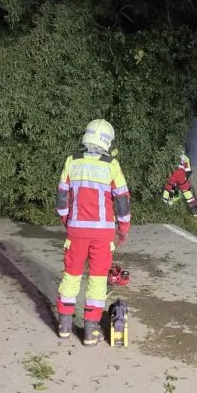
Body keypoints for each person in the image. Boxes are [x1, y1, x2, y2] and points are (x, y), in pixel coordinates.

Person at [55, 119, 131, 346]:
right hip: (103, 236)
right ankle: (90, 332)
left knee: (71, 277)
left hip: (76, 233)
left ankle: (65, 327)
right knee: (97, 281)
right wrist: (123, 229)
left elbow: (61, 199)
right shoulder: (111, 165)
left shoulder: (72, 161)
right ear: (107, 142)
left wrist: (67, 222)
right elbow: (122, 202)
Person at [162, 149, 197, 216]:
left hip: (176, 175)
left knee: (172, 188)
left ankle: (167, 202)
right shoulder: (185, 158)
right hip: (182, 177)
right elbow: (188, 170)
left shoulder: (173, 157)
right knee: (186, 192)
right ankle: (194, 211)